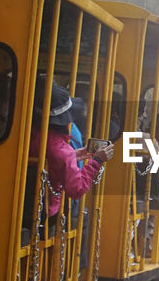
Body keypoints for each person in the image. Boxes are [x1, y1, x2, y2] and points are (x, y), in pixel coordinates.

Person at [30, 79, 112, 219]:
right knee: (84, 218)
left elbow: (53, 159)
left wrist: (75, 155)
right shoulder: (62, 150)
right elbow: (77, 189)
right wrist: (96, 161)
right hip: (45, 213)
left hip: (28, 204)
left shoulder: (32, 135)